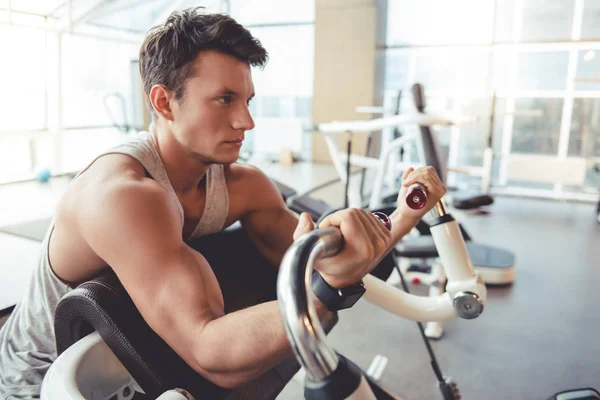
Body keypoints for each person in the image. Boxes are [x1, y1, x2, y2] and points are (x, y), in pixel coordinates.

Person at [0, 8, 446, 398]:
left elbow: (319, 261)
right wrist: (328, 290)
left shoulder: (241, 184)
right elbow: (211, 353)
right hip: (43, 382)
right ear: (164, 102)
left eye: (248, 100)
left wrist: (407, 211)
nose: (246, 121)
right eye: (224, 100)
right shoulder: (122, 196)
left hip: (132, 366)